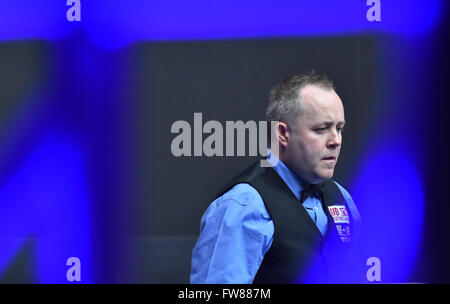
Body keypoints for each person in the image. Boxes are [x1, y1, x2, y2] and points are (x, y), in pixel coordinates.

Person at [190, 71, 361, 284]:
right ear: (282, 133)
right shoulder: (243, 206)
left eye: (339, 128)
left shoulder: (341, 196)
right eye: (321, 129)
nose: (336, 140)